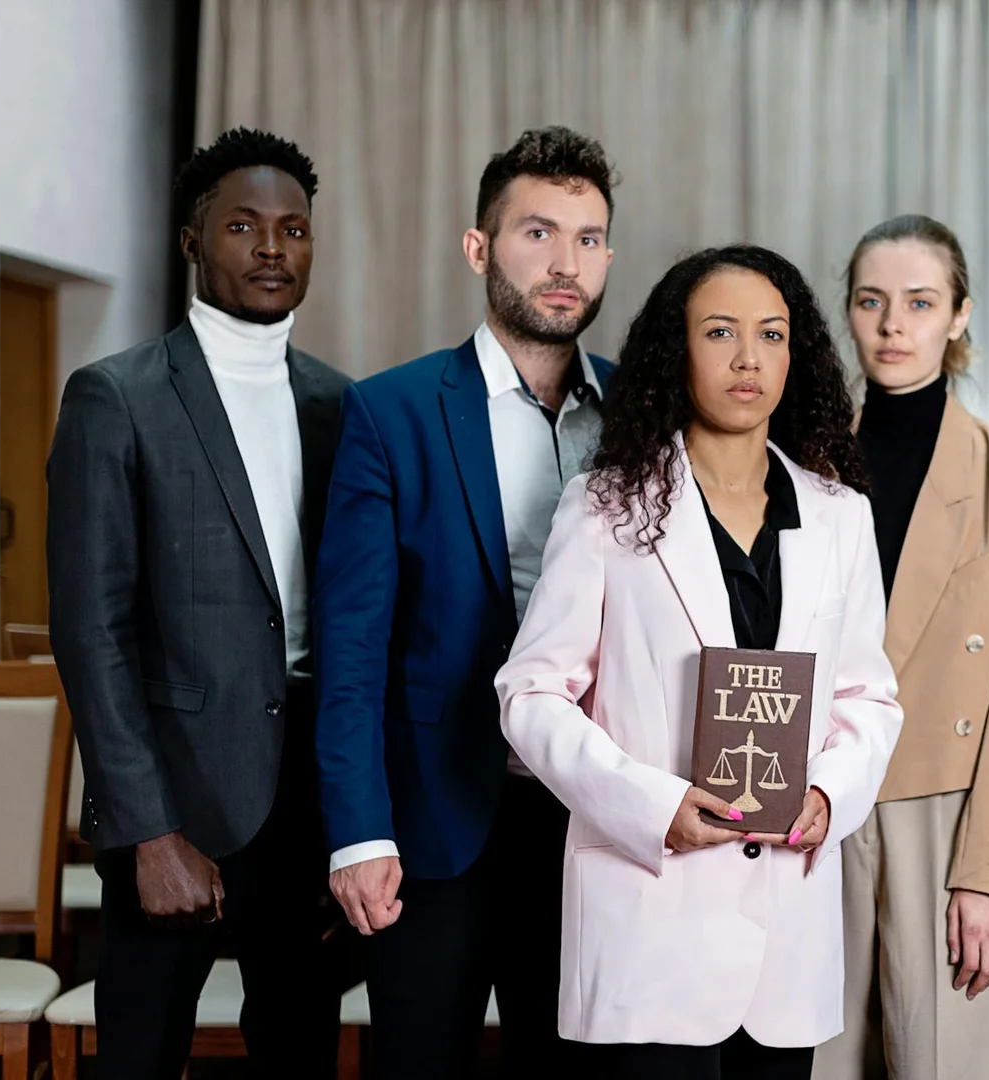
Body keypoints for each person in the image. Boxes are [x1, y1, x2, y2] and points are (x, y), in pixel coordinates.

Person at [494, 244, 904, 1080]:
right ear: (675, 353)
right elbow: (530, 694)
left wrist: (829, 794)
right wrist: (652, 807)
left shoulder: (841, 518)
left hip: (786, 937)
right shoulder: (605, 507)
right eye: (720, 332)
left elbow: (869, 698)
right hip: (650, 923)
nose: (749, 357)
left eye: (771, 334)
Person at [313, 126, 617, 1078]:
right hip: (433, 822)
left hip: (593, 819)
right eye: (538, 233)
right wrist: (358, 833)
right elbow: (352, 648)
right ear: (479, 248)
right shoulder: (390, 411)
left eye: (589, 238)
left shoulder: (642, 416)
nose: (566, 264)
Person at [46, 127, 350, 1079]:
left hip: (309, 804)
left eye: (293, 229)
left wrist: (355, 821)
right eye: (243, 226)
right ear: (192, 240)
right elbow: (90, 632)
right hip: (174, 803)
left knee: (301, 1057)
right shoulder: (116, 397)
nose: (272, 248)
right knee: (141, 1061)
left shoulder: (342, 405)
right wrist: (147, 831)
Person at [812, 215, 989, 1080]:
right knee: (812, 1062)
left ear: (959, 315)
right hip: (814, 799)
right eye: (871, 301)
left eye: (920, 303)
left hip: (948, 810)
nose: (893, 325)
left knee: (943, 1064)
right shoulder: (800, 462)